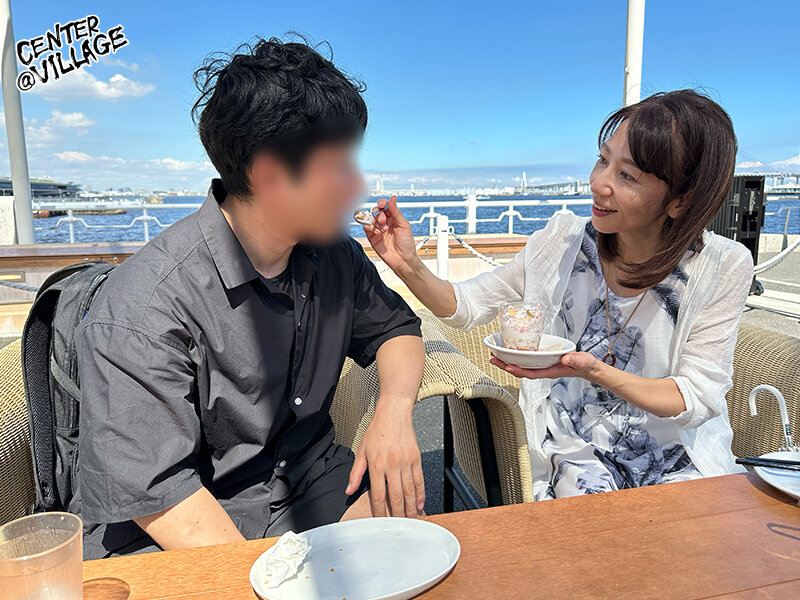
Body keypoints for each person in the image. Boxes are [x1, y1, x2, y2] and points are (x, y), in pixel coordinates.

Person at [76, 36, 426, 559]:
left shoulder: (334, 256)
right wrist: (284, 576)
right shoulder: (143, 308)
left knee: (407, 534)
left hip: (306, 481)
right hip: (177, 525)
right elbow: (160, 493)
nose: (357, 185)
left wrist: (394, 412)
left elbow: (395, 330)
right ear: (270, 176)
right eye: (338, 166)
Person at [363, 89, 753, 500]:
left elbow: (695, 397)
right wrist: (408, 264)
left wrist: (593, 371)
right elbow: (466, 306)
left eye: (627, 176)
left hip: (678, 457)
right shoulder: (562, 242)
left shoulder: (721, 266)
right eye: (603, 160)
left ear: (680, 201)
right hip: (574, 448)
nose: (599, 183)